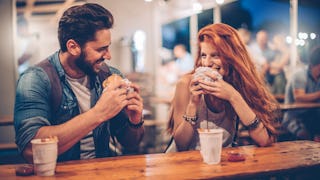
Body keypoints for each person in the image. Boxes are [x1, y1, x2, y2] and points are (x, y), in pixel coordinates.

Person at [14, 3, 144, 163]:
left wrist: (135, 121)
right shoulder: (35, 79)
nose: (108, 56)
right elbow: (30, 149)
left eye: (108, 47)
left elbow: (130, 143)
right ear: (73, 47)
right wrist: (99, 113)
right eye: (100, 49)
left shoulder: (109, 76)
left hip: (102, 172)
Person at [167, 23, 279, 152]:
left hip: (220, 165)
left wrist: (233, 96)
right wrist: (193, 104)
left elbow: (264, 140)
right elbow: (181, 145)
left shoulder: (240, 84)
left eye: (215, 55)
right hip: (182, 164)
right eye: (204, 55)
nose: (207, 63)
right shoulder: (186, 84)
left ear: (232, 57)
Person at [282, 45, 320, 141]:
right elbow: (299, 98)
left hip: (312, 117)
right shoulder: (300, 74)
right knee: (307, 136)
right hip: (294, 117)